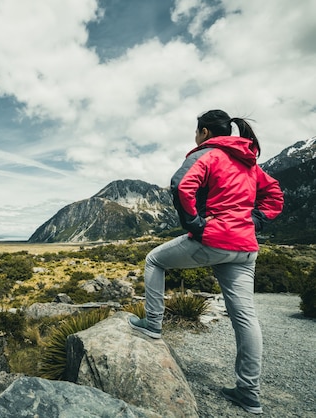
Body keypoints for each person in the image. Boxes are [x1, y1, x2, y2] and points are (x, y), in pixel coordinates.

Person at [128, 109, 284, 414]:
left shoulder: (210, 154)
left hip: (215, 239)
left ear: (205, 132)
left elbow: (180, 184)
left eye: (196, 131)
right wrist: (256, 219)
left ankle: (153, 325)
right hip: (246, 247)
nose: (195, 136)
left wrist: (195, 225)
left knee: (154, 260)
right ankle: (248, 392)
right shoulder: (249, 161)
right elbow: (274, 194)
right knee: (245, 318)